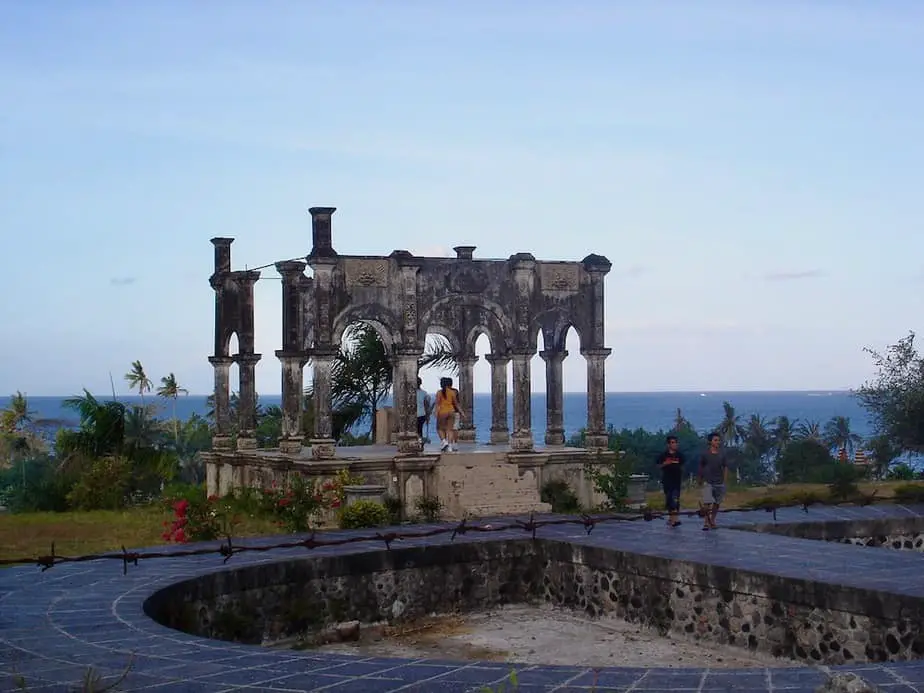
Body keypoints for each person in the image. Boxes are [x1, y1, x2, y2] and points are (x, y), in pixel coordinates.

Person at [698, 431, 728, 531]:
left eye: (718, 440)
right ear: (710, 442)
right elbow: (701, 467)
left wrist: (725, 480)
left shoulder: (722, 454)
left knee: (717, 503)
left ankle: (713, 520)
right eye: (715, 440)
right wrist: (700, 479)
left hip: (719, 481)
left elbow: (725, 467)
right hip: (708, 481)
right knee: (707, 502)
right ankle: (706, 522)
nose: (717, 442)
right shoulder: (705, 454)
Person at [656, 435, 685, 527]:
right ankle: (671, 518)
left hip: (677, 480)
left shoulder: (680, 455)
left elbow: (682, 465)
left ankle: (675, 520)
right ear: (668, 444)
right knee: (669, 499)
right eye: (672, 442)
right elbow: (658, 466)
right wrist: (665, 463)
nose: (674, 444)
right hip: (667, 480)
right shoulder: (663, 455)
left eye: (675, 442)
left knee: (675, 499)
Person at [434, 377, 463, 452]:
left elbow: (437, 404)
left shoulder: (439, 392)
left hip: (442, 412)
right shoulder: (452, 392)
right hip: (451, 412)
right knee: (450, 430)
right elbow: (456, 404)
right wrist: (461, 412)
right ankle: (450, 446)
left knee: (439, 428)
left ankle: (444, 442)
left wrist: (435, 412)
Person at [415, 377, 432, 443]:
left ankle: (418, 440)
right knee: (420, 429)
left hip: (414, 414)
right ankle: (420, 441)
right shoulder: (424, 393)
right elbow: (426, 405)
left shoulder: (410, 393)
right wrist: (428, 416)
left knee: (414, 430)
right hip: (422, 414)